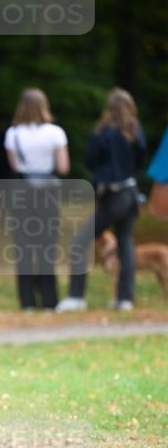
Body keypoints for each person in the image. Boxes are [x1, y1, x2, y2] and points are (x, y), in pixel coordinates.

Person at [57, 87, 146, 312]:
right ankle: (125, 299)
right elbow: (139, 161)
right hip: (131, 193)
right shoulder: (135, 131)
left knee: (80, 241)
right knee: (125, 241)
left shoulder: (104, 131)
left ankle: (76, 297)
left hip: (113, 195)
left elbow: (90, 159)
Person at [4, 88, 70, 310]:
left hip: (22, 191)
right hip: (48, 192)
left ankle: (27, 302)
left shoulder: (12, 134)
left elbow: (15, 167)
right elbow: (63, 167)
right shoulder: (56, 133)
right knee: (47, 245)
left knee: (23, 245)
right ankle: (50, 300)